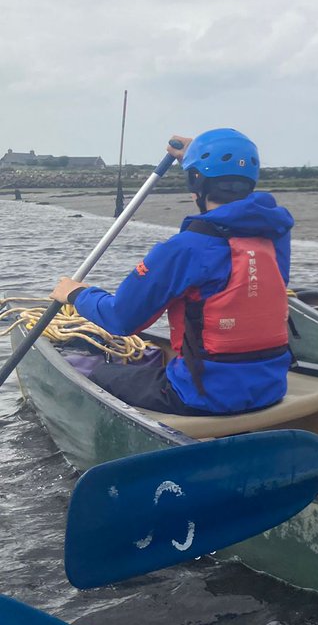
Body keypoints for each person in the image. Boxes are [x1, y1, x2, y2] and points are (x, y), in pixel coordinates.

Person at [50, 129, 294, 415]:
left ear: (195, 182)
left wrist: (77, 293)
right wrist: (194, 158)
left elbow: (122, 319)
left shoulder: (185, 248)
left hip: (201, 396)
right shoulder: (274, 234)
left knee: (98, 373)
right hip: (270, 388)